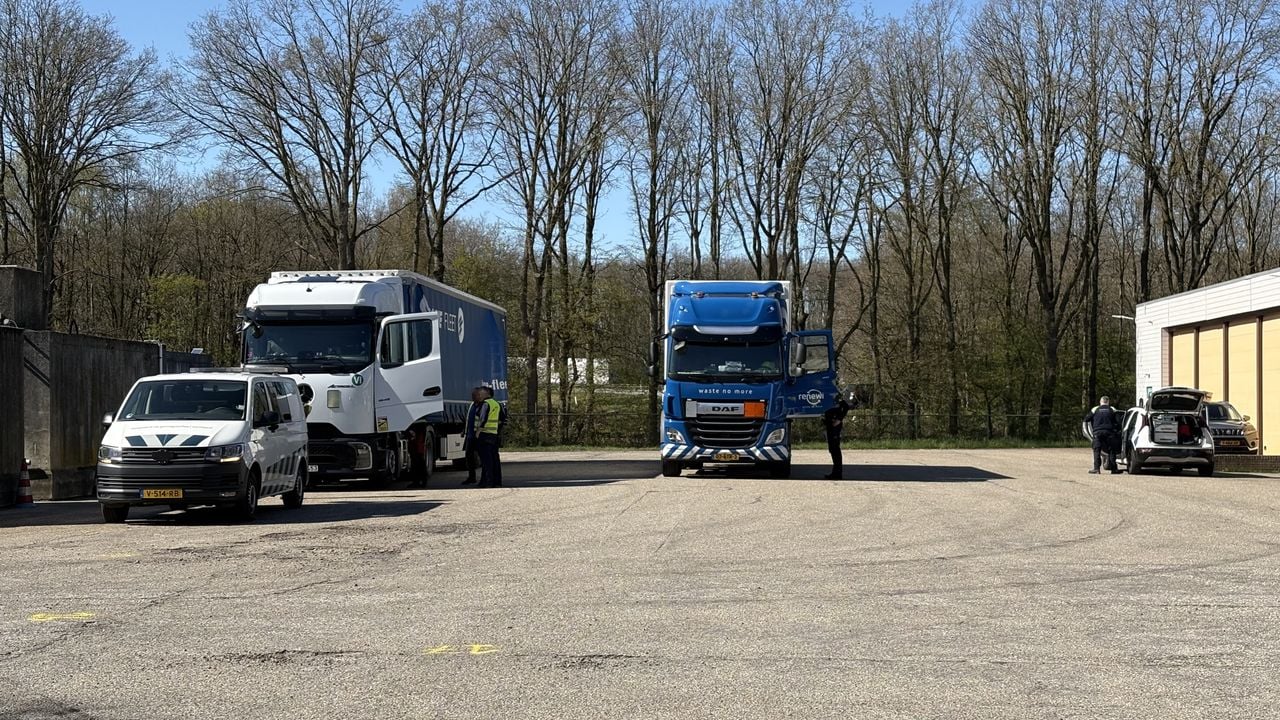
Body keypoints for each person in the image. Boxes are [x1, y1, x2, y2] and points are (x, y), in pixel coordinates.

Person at [475, 386, 504, 487]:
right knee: (494, 459)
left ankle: (488, 481)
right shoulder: (497, 404)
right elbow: (502, 419)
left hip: (485, 434)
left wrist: (478, 432)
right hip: (494, 434)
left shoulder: (485, 404)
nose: (479, 395)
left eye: (480, 393)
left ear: (486, 394)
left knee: (486, 460)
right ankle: (497, 481)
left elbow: (483, 419)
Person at [1085, 396, 1122, 474]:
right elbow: (1119, 422)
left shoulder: (1095, 409)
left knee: (1097, 450)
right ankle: (1114, 469)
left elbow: (1086, 419)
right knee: (1111, 450)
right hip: (1109, 432)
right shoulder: (1112, 409)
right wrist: (1117, 430)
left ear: (1100, 402)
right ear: (1108, 402)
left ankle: (1096, 469)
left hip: (1097, 433)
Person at [822, 391, 852, 479]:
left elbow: (845, 406)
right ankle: (835, 472)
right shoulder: (827, 397)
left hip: (835, 426)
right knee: (832, 449)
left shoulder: (835, 396)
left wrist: (839, 419)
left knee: (835, 449)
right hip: (830, 426)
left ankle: (837, 473)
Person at [460, 388, 484, 485]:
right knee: (469, 457)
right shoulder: (472, 405)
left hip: (478, 435)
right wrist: (464, 431)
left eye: (475, 395)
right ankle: (471, 477)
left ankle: (484, 478)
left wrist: (479, 432)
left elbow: (482, 420)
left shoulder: (482, 406)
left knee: (482, 457)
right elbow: (469, 420)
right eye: (472, 395)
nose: (473, 397)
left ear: (480, 395)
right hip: (470, 435)